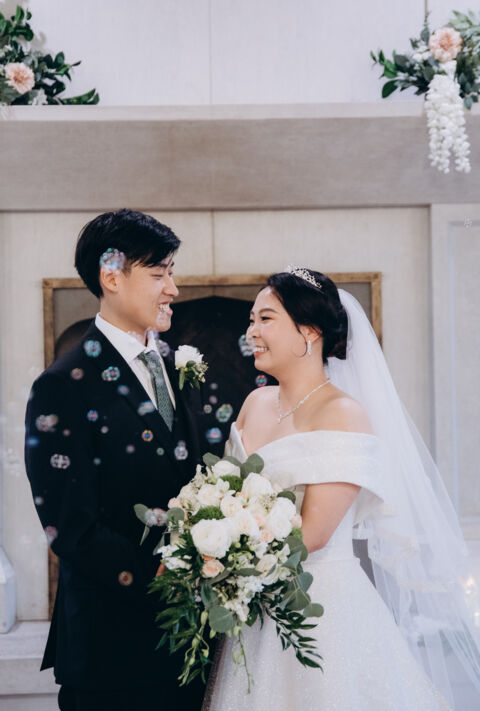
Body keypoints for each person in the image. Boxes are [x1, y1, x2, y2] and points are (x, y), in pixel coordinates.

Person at [206, 266, 480, 711]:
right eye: (251, 320)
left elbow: (314, 534)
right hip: (252, 609)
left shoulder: (343, 413)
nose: (251, 331)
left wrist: (224, 550)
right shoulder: (254, 403)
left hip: (319, 608)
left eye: (266, 319)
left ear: (309, 331)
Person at [24, 209, 204, 711]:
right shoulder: (63, 385)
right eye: (159, 273)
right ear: (112, 277)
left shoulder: (174, 363)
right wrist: (168, 580)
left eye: (172, 272)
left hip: (190, 647)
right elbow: (71, 526)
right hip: (113, 651)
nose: (172, 289)